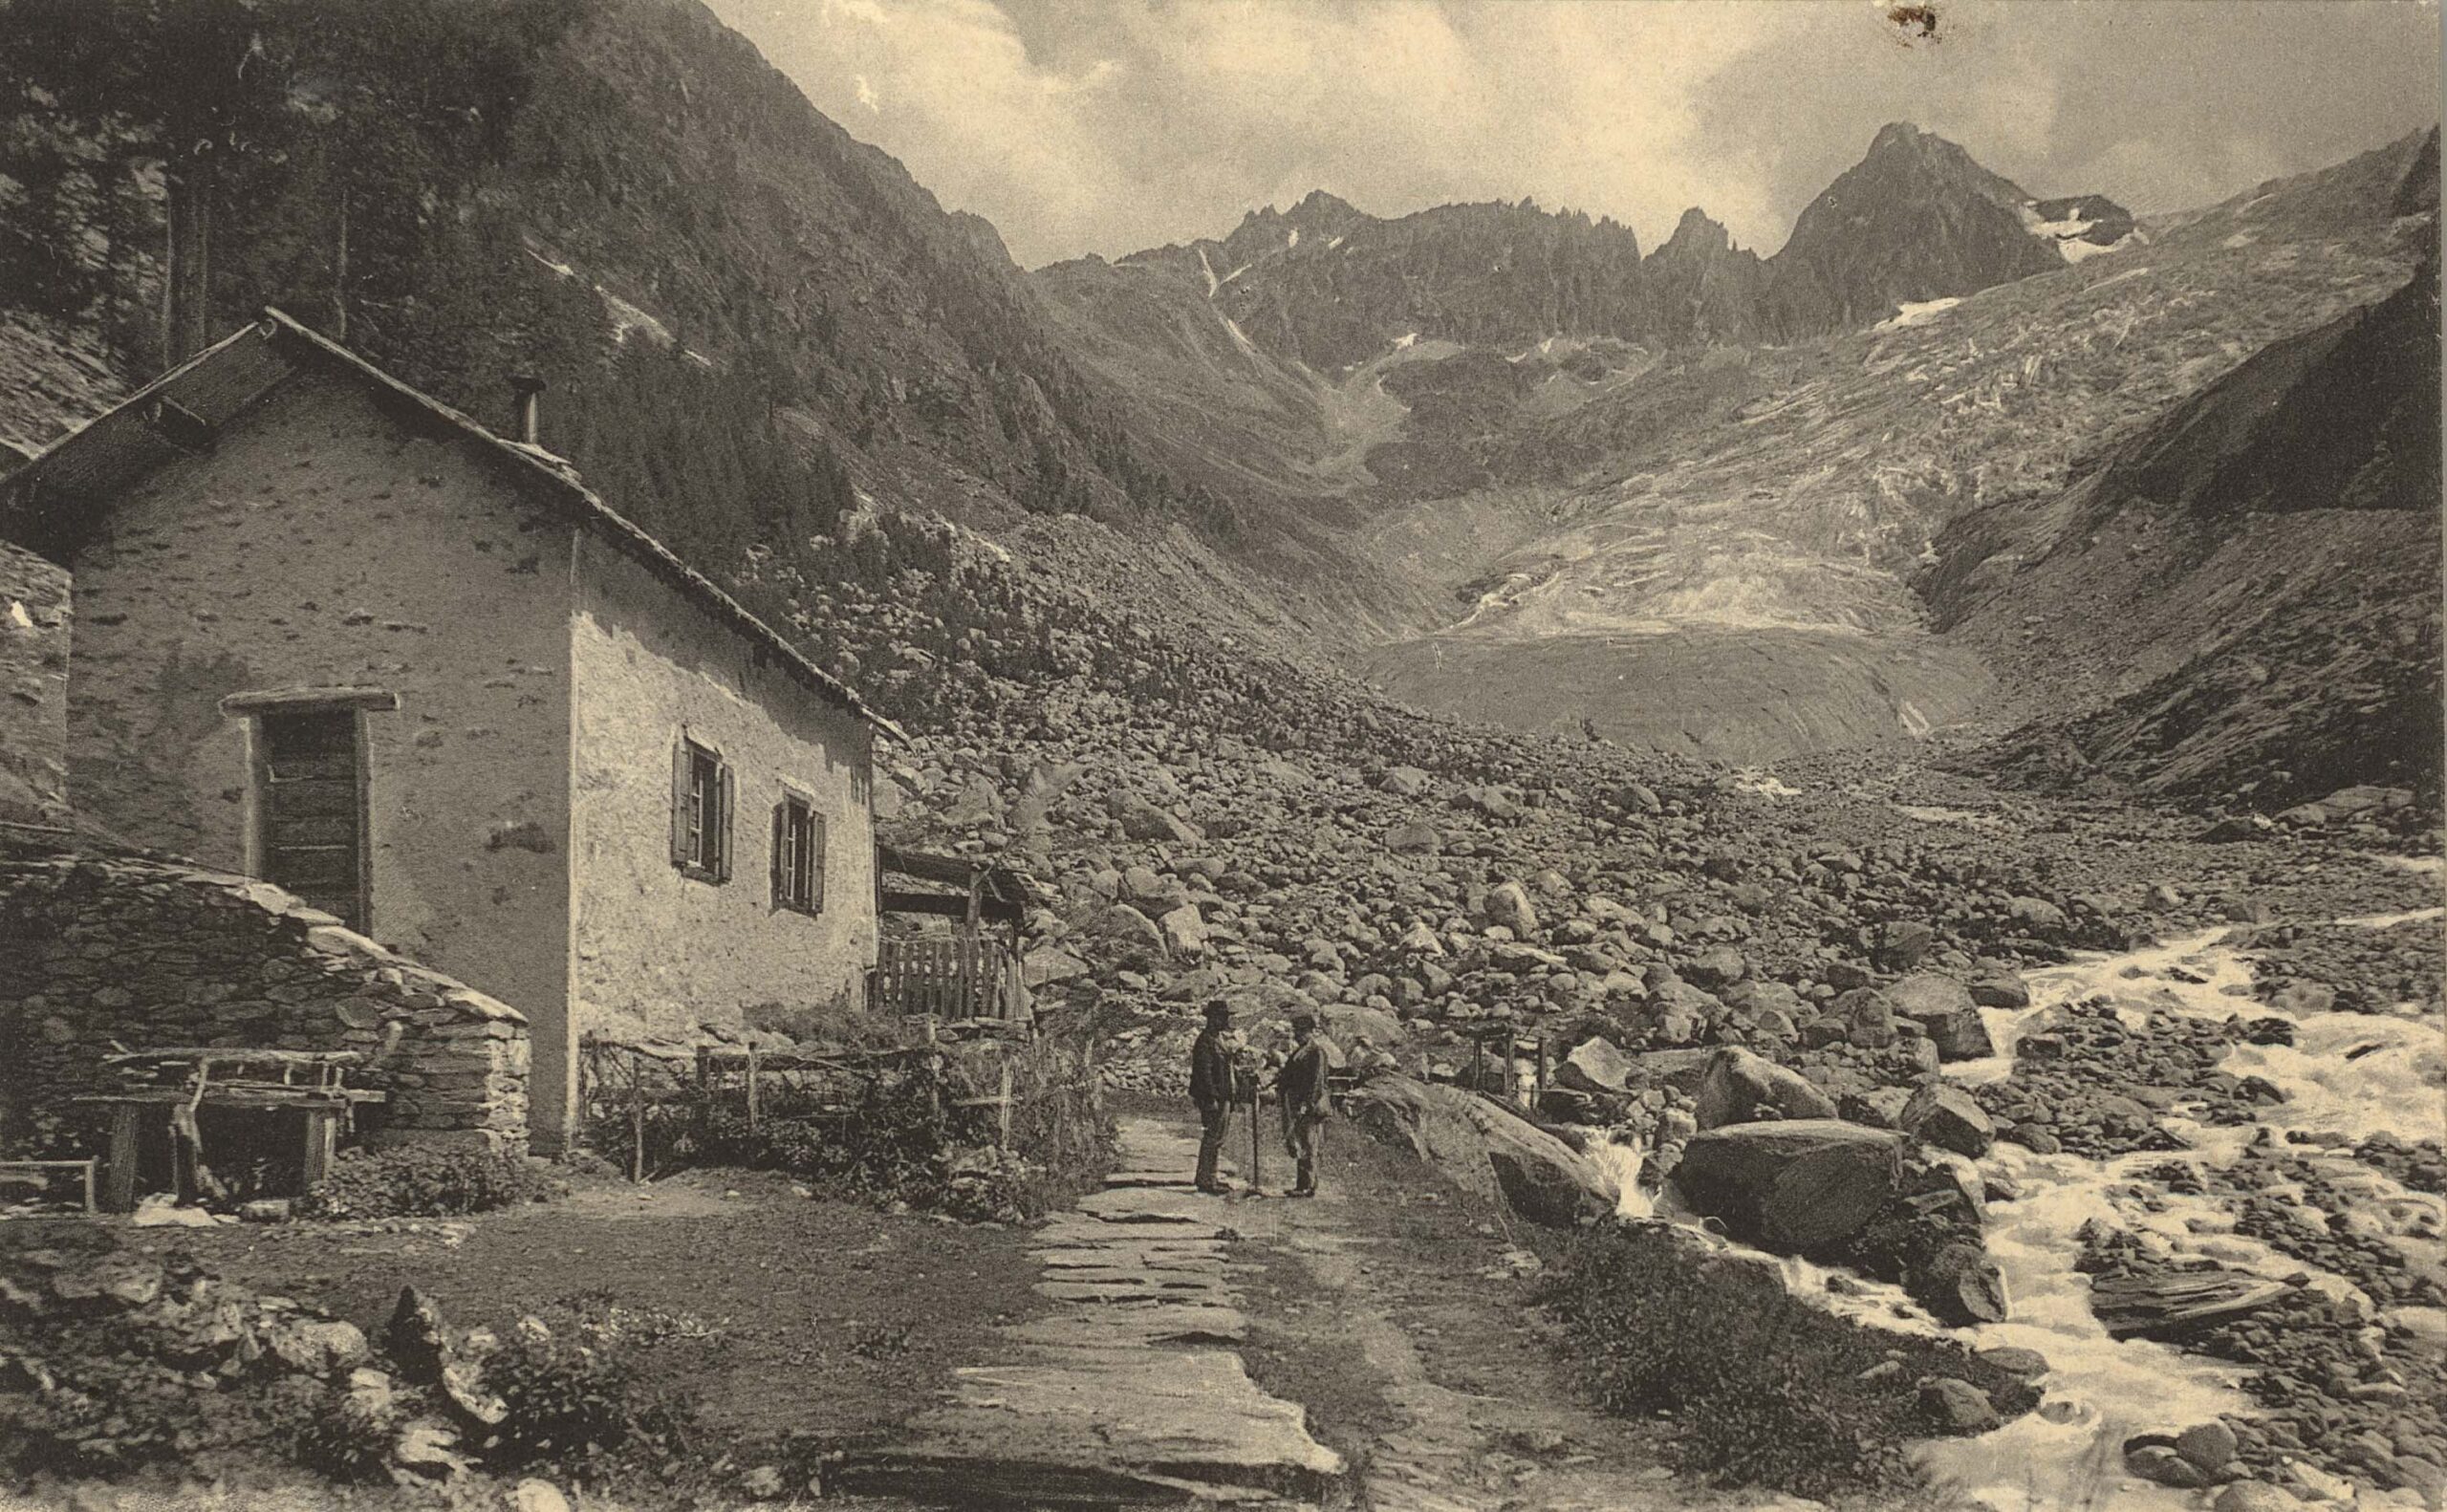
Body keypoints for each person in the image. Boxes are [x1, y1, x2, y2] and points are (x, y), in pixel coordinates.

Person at [1276, 1011, 1332, 1198]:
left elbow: (1317, 1082)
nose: (1297, 1036)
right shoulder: (1300, 1051)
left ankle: (1308, 1186)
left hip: (1310, 1107)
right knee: (1301, 1143)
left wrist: (1307, 1104)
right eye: (1296, 1032)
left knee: (1309, 1144)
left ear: (1309, 1032)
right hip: (1297, 1103)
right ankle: (1302, 1185)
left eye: (1300, 1032)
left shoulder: (1316, 1052)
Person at [1188, 1000, 1236, 1194]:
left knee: (1216, 1137)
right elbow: (1205, 1073)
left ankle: (1209, 1177)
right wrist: (1212, 1098)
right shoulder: (1206, 1041)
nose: (1225, 1021)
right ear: (1212, 1018)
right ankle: (1206, 1180)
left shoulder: (1217, 1039)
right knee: (1212, 1137)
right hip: (1213, 1098)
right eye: (1222, 1017)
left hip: (1221, 1096)